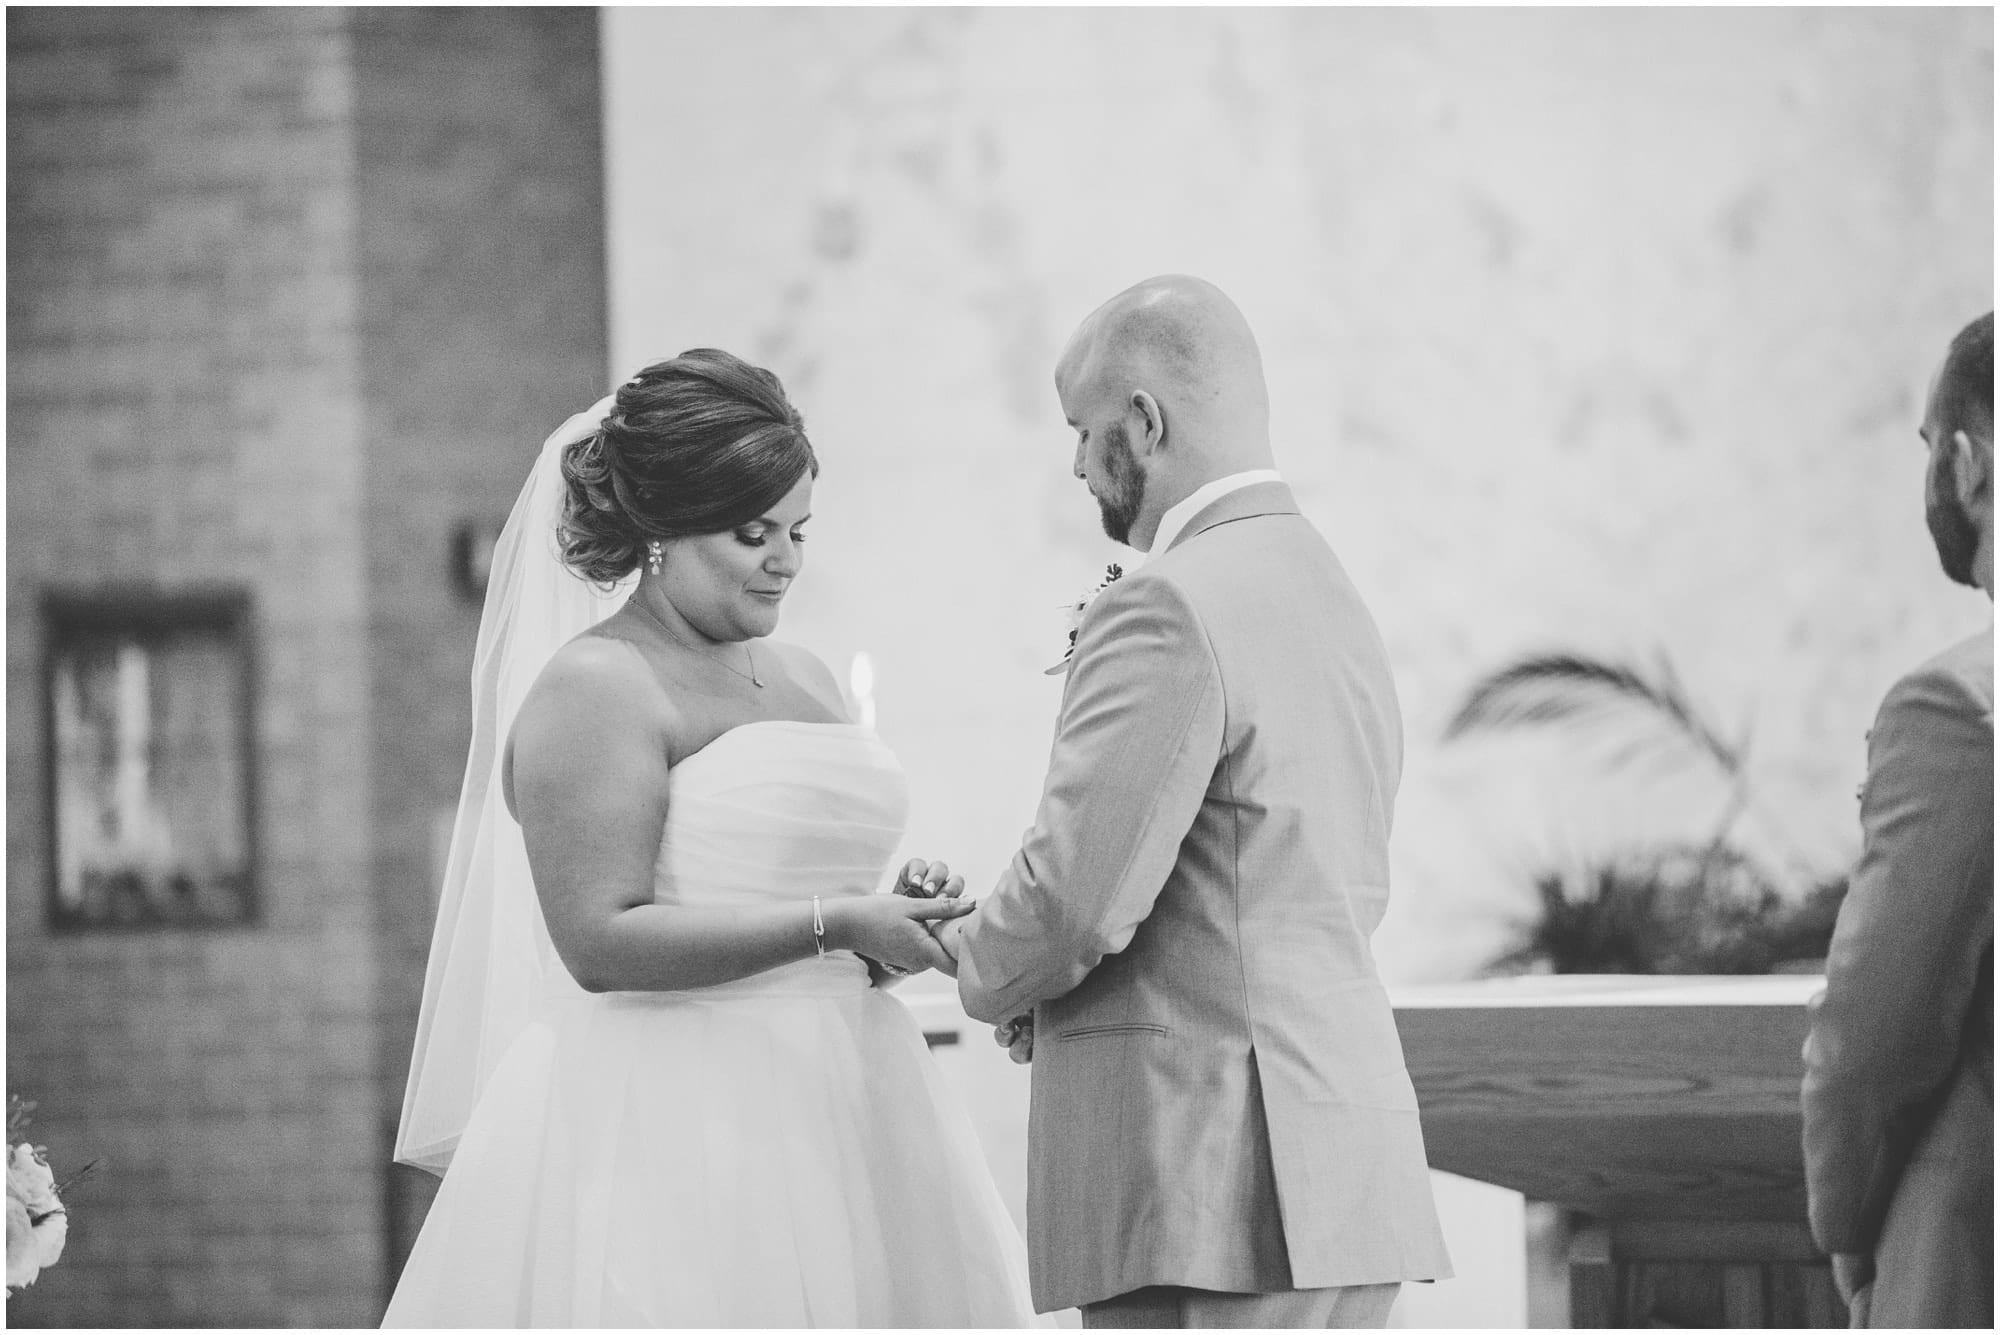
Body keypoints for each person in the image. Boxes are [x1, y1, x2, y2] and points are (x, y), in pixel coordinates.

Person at [384, 349, 1040, 1326]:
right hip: (684, 1115)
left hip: (852, 1093)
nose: (785, 558)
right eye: (751, 533)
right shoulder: (597, 688)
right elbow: (598, 942)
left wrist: (883, 927)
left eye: (798, 530)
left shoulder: (807, 677)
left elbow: (805, 908)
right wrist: (833, 921)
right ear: (661, 532)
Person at [922, 276, 1452, 1327]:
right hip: (1340, 1158)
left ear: (1145, 422)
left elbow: (1077, 899)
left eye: (1081, 431)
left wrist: (964, 953)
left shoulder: (1167, 602)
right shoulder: (1329, 590)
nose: (1075, 463)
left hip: (1206, 1174)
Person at [1802, 311, 1994, 1329]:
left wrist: (1843, 1227)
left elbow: (1874, 1038)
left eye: (1927, 448)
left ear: (1965, 463)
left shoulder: (1958, 708)